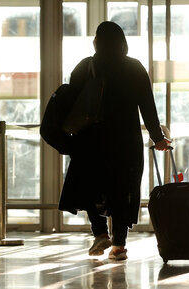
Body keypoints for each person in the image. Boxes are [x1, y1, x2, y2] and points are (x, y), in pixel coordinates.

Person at [58, 21, 170, 261]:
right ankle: (119, 245)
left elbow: (70, 105)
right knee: (123, 190)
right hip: (125, 142)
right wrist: (158, 137)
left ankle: (99, 231)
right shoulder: (134, 68)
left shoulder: (84, 67)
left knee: (89, 184)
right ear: (122, 42)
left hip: (90, 141)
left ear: (97, 41)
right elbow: (148, 107)